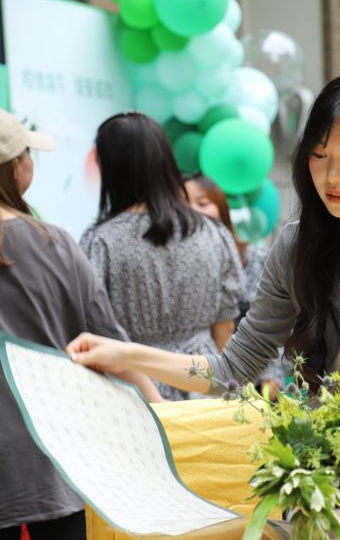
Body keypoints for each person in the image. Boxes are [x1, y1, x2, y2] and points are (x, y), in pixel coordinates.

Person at [66, 71, 340, 540]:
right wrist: (124, 354)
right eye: (320, 155)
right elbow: (231, 368)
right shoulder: (295, 248)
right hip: (338, 475)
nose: (332, 176)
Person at [0, 107, 158, 540]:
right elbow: (109, 347)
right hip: (56, 449)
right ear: (16, 168)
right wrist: (162, 410)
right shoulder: (53, 243)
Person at [80, 113, 243, 402]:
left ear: (111, 167)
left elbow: (94, 330)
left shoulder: (100, 242)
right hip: (202, 382)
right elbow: (226, 325)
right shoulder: (213, 232)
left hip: (133, 390)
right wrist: (225, 391)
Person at [184, 172, 284, 395]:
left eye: (202, 203)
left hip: (254, 374)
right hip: (204, 372)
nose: (192, 210)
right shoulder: (184, 261)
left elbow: (277, 324)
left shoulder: (262, 260)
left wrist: (272, 376)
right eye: (182, 203)